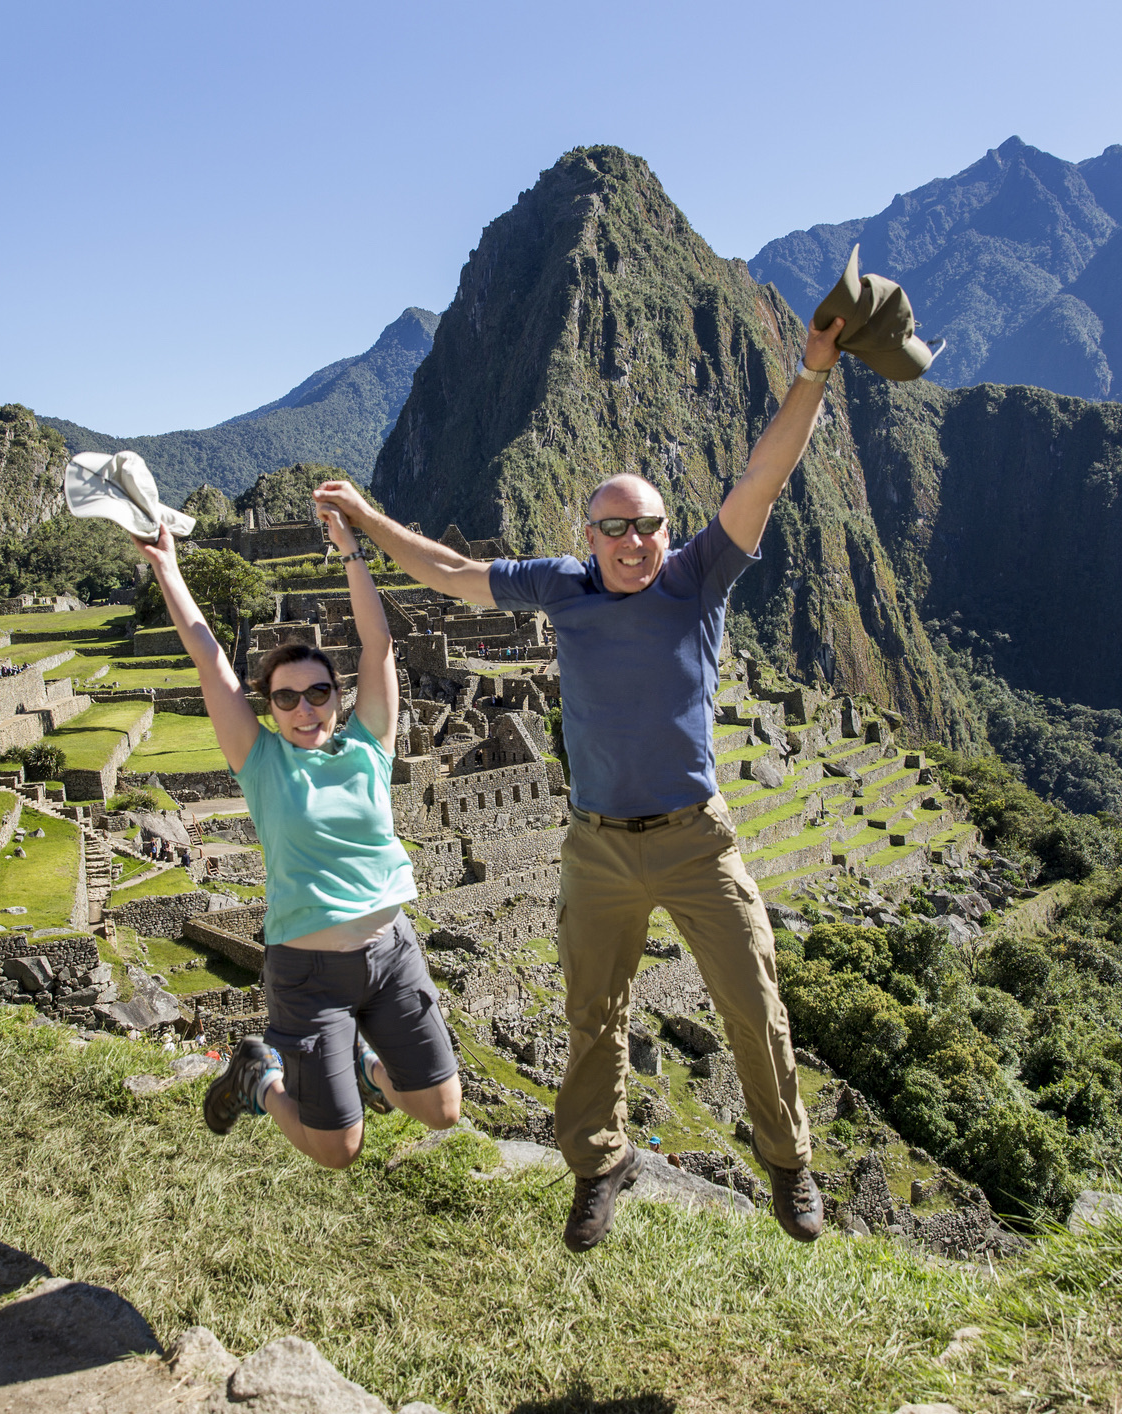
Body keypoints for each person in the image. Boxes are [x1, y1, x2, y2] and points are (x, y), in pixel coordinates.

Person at [310, 312, 848, 1251]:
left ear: (665, 532)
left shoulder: (699, 578)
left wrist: (809, 374)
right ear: (589, 534)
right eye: (615, 529)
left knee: (752, 1002)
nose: (633, 543)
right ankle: (599, 1163)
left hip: (695, 839)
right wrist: (364, 519)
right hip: (597, 844)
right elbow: (448, 573)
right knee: (592, 1013)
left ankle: (787, 1162)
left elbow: (764, 476)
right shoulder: (561, 587)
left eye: (646, 528)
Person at [138, 505, 461, 1170]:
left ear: (337, 699)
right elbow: (205, 652)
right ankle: (258, 1080)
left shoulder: (369, 745)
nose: (304, 707)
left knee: (439, 1110)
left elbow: (379, 644)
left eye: (317, 693)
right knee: (335, 1150)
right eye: (286, 698)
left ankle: (368, 1069)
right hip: (309, 974)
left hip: (392, 952)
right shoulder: (260, 763)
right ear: (269, 708)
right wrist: (166, 565)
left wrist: (349, 550)